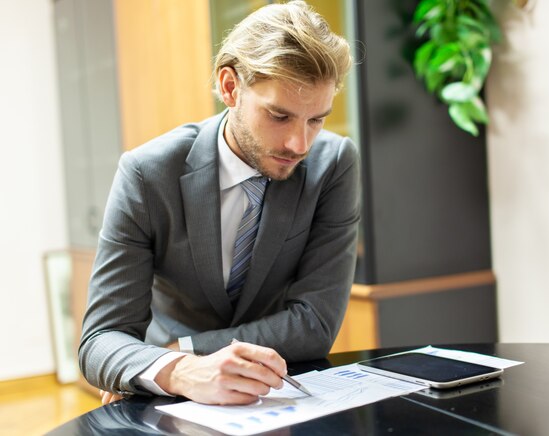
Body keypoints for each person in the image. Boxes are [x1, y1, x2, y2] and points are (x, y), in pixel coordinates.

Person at [79, 0, 360, 406]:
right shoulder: (147, 174)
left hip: (285, 392)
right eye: (279, 116)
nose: (300, 144)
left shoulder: (332, 163)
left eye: (316, 119)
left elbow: (315, 323)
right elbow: (100, 342)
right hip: (178, 395)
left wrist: (185, 350)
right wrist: (181, 370)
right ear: (230, 87)